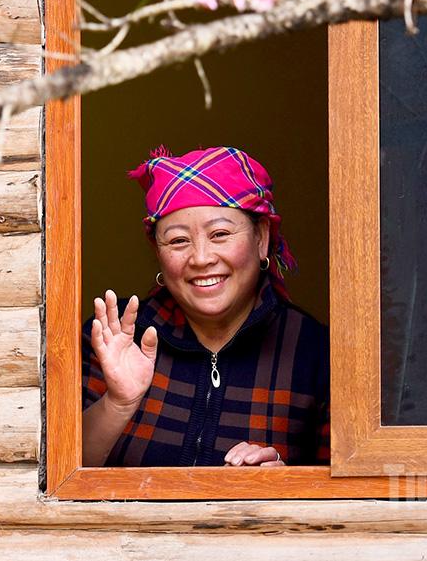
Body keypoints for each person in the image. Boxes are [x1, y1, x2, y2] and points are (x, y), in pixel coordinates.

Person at [82, 145, 330, 467]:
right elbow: (59, 474)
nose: (201, 258)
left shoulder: (315, 352)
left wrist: (287, 484)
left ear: (261, 238)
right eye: (178, 241)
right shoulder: (113, 339)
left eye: (220, 234)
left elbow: (347, 488)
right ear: (158, 252)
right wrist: (118, 403)